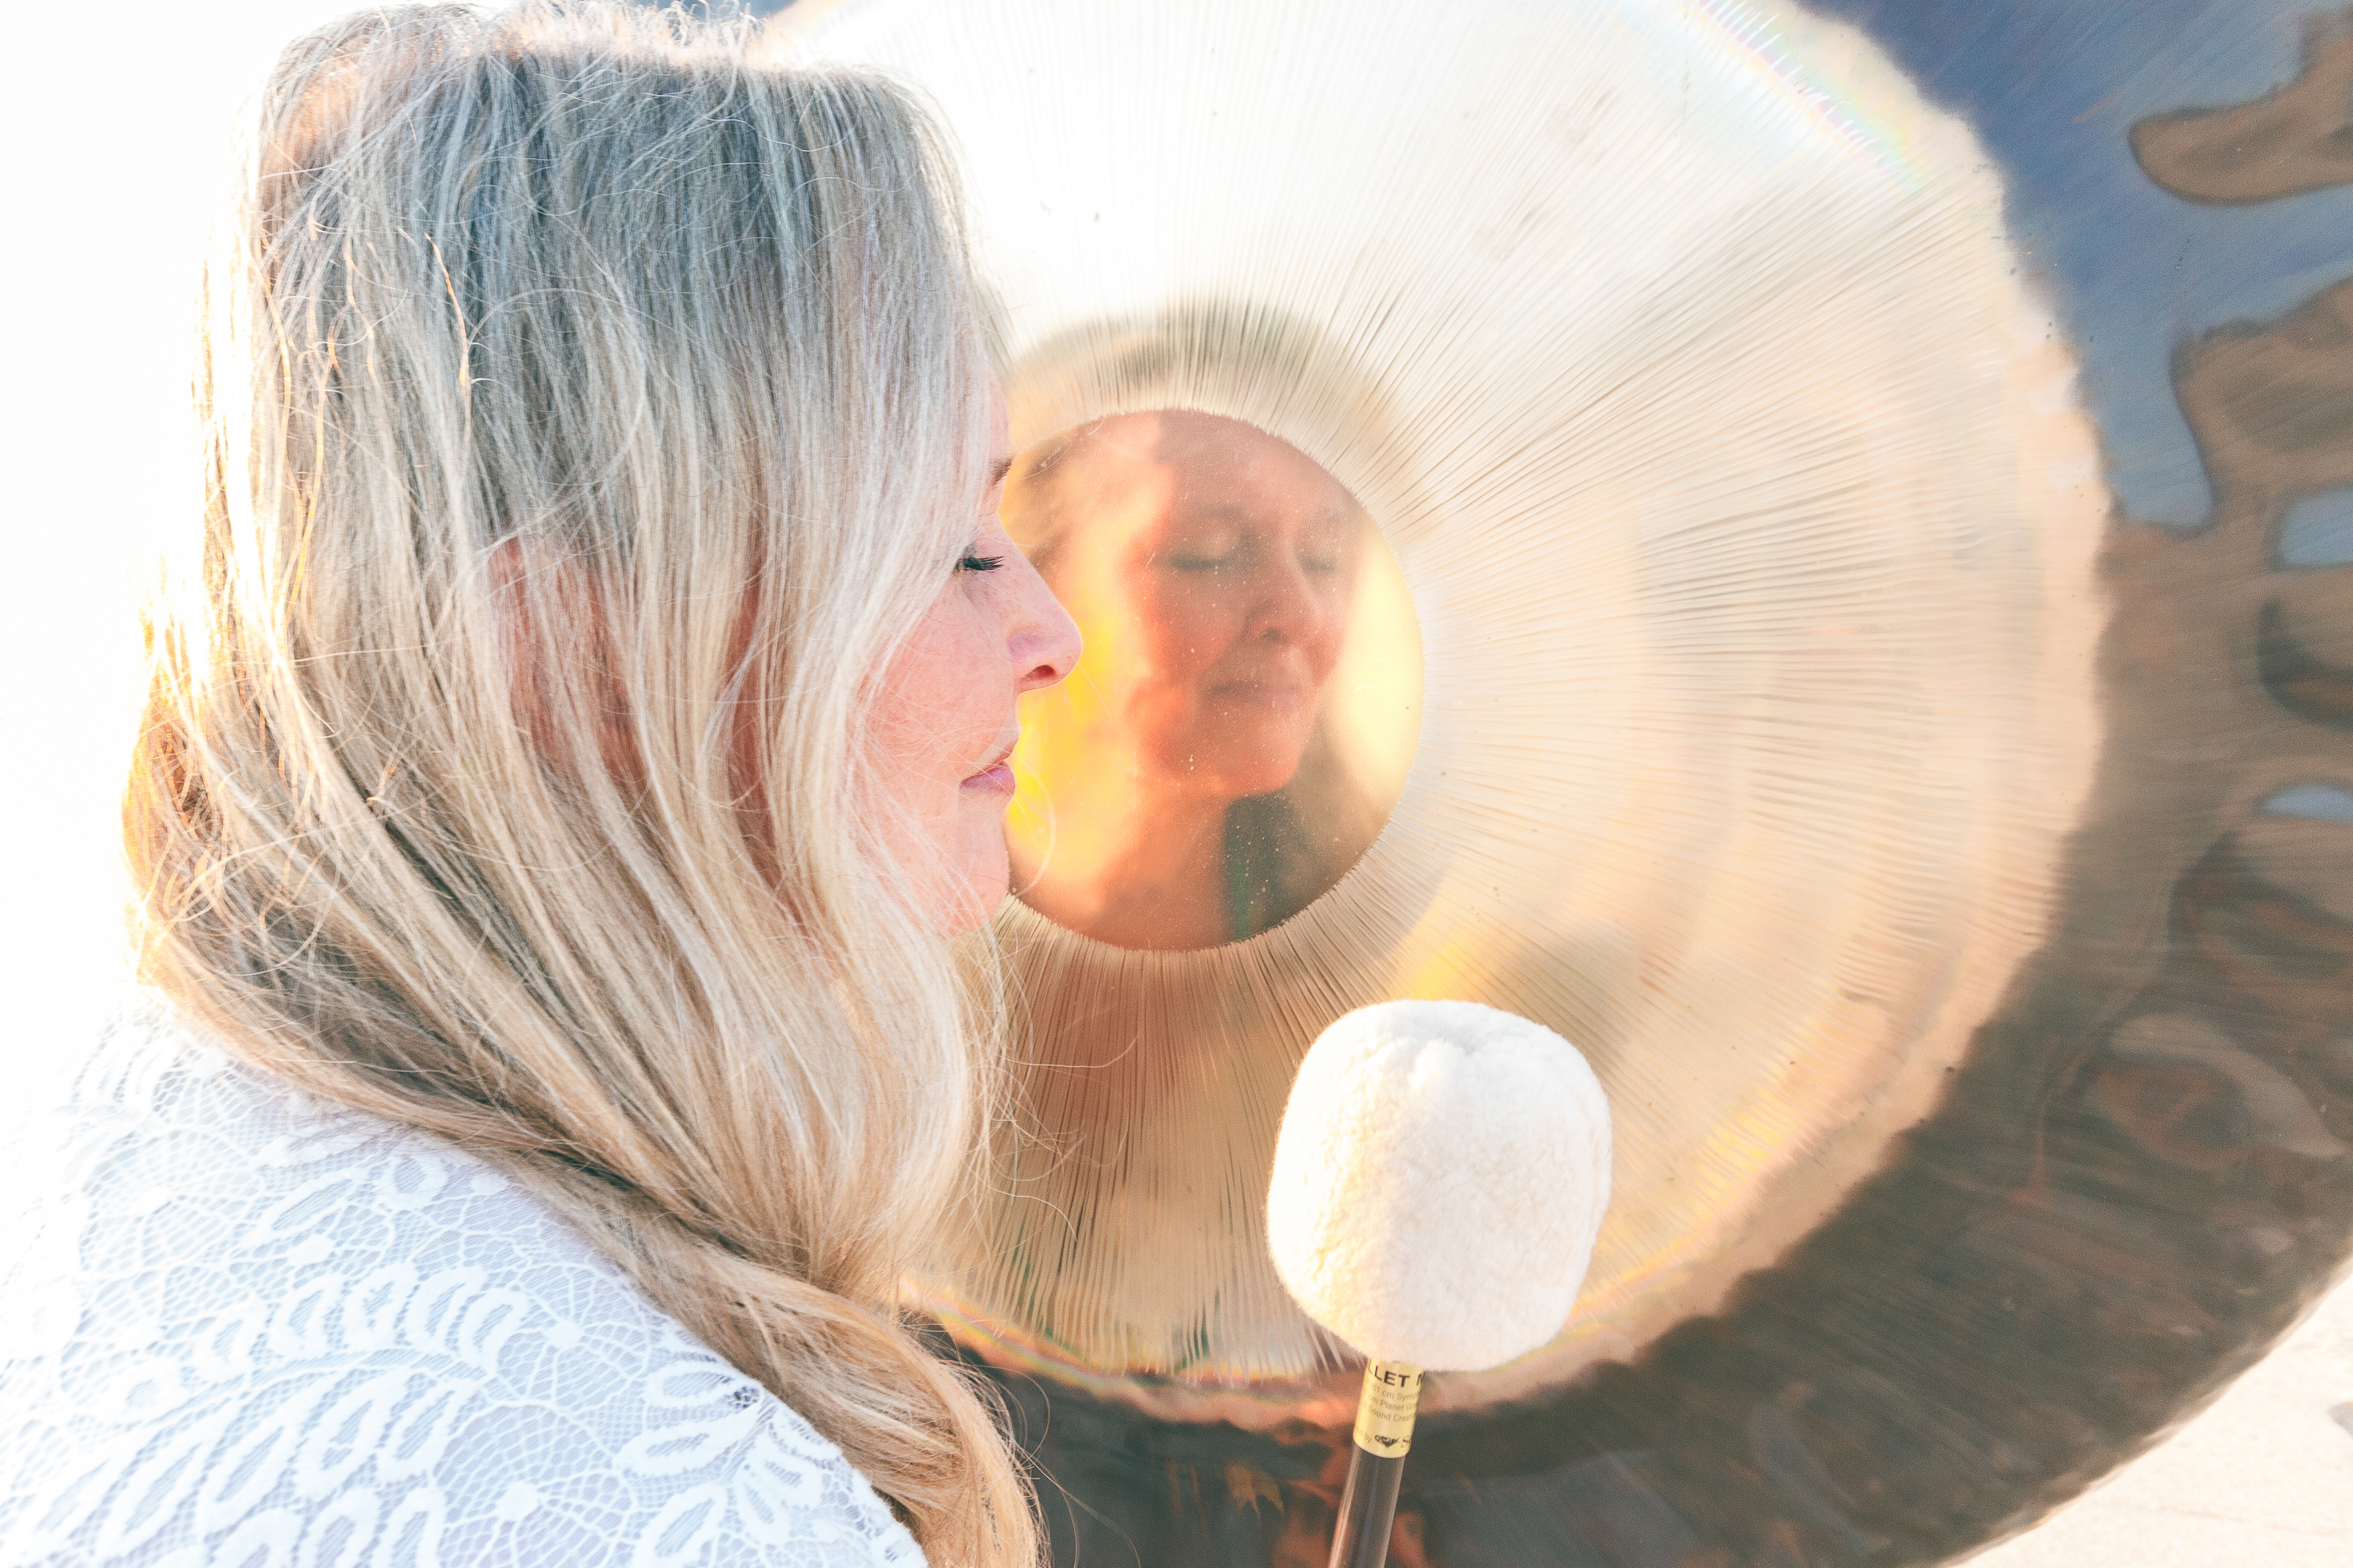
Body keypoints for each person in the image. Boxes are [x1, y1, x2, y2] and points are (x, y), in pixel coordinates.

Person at [0, 6, 1079, 1566]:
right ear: (569, 648)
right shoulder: (665, 1504)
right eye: (944, 546)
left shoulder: (124, 1117)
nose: (1050, 630)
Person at [995, 307, 1400, 951]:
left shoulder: (1405, 950)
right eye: (1204, 555)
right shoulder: (859, 941)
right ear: (1023, 583)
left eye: (1323, 557)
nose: (1300, 614)